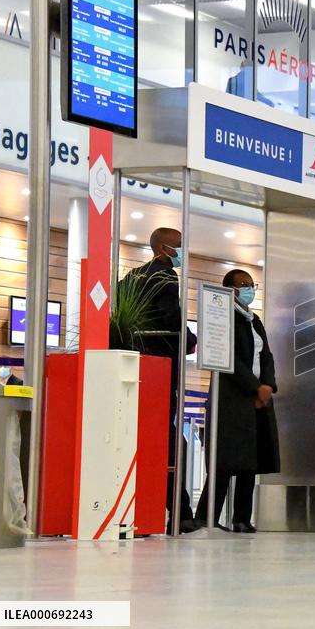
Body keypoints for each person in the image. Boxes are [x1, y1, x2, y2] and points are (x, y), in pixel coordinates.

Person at [119, 227, 198, 533]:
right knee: (167, 439)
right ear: (164, 248)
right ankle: (180, 510)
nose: (183, 250)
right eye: (180, 245)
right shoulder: (166, 277)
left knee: (136, 437)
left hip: (134, 367)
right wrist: (190, 340)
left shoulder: (132, 276)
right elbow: (171, 319)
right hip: (161, 369)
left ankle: (138, 507)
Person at [195, 270, 280, 532]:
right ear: (231, 290)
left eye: (252, 285)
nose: (249, 289)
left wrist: (267, 385)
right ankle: (206, 516)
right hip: (232, 397)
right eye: (244, 285)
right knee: (224, 459)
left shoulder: (254, 320)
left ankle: (242, 518)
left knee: (250, 459)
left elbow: (266, 355)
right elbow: (229, 358)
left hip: (258, 396)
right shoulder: (224, 318)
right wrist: (255, 386)